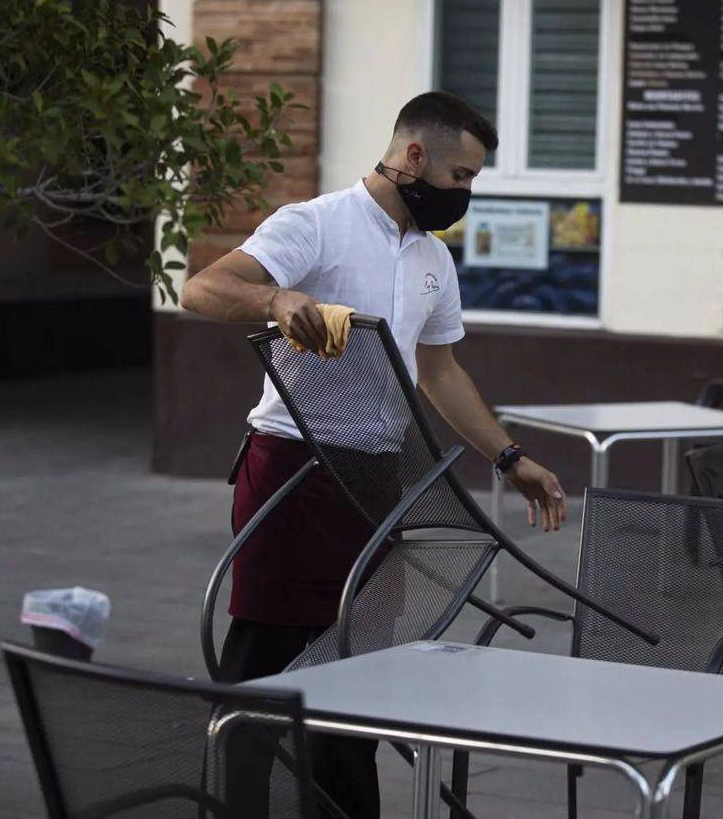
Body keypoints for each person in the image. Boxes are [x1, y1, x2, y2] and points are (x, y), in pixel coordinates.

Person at [180, 91, 567, 817]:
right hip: (291, 469)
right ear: (414, 157)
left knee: (360, 679)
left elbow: (442, 373)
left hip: (376, 480)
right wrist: (276, 300)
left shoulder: (431, 259)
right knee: (260, 673)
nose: (465, 193)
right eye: (461, 176)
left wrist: (512, 459)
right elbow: (203, 287)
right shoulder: (316, 224)